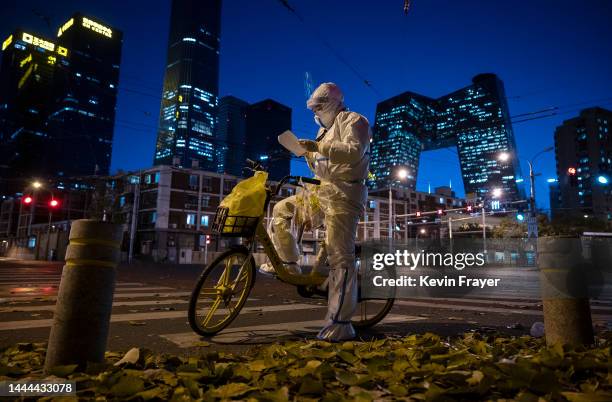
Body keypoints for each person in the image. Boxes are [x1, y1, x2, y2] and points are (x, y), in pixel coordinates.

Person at [262, 82, 371, 341]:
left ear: (334, 103)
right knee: (281, 210)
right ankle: (290, 263)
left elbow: (354, 153)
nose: (316, 112)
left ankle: (340, 323)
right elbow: (323, 167)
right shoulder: (323, 130)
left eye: (320, 106)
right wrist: (306, 153)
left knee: (339, 255)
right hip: (323, 192)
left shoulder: (354, 120)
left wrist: (316, 147)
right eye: (314, 108)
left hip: (345, 195)